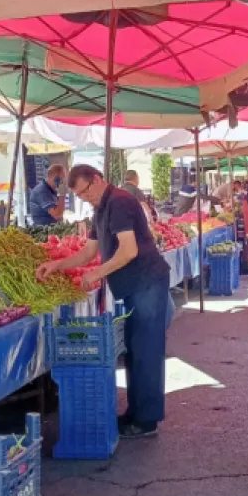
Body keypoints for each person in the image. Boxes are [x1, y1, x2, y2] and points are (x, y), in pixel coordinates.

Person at [36, 165, 174, 438]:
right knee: (134, 352)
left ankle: (147, 421)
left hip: (147, 283)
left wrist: (98, 272)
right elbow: (89, 252)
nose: (85, 199)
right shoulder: (100, 208)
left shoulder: (120, 201)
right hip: (134, 287)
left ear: (97, 180)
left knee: (146, 352)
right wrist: (57, 265)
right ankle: (136, 414)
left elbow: (128, 250)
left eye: (85, 192)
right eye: (80, 196)